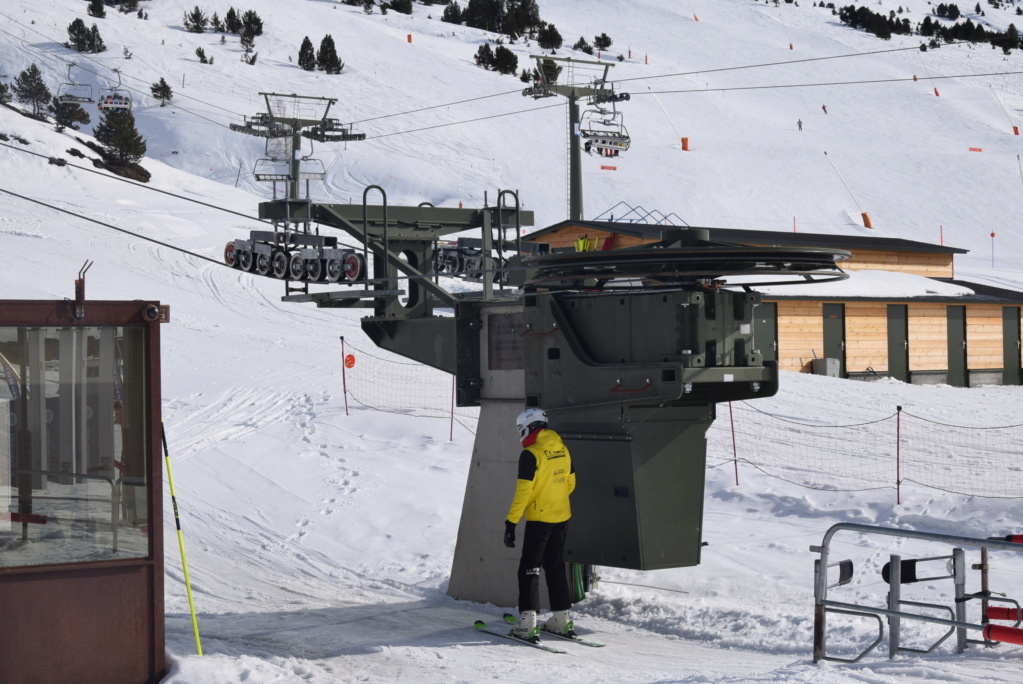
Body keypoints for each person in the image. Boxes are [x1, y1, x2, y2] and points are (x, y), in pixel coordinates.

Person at [503, 408, 577, 642]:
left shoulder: (531, 454)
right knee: (554, 566)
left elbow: (523, 492)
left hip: (540, 519)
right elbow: (570, 482)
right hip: (562, 517)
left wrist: (511, 522)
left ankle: (527, 624)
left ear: (527, 428)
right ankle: (562, 620)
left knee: (529, 568)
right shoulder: (562, 448)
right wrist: (554, 498)